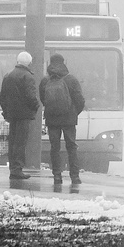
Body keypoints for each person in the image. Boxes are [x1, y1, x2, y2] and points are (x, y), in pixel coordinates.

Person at [40, 53, 85, 185]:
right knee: (71, 147)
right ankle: (75, 176)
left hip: (52, 119)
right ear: (63, 62)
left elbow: (43, 100)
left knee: (55, 148)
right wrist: (74, 112)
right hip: (69, 119)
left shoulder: (45, 81)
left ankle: (57, 176)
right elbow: (80, 100)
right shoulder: (71, 80)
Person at [0, 51, 39, 181]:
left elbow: (2, 98)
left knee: (13, 142)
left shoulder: (8, 76)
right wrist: (36, 107)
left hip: (12, 115)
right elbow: (31, 97)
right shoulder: (28, 77)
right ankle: (17, 169)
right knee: (21, 142)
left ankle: (13, 168)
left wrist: (6, 112)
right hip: (24, 115)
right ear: (29, 63)